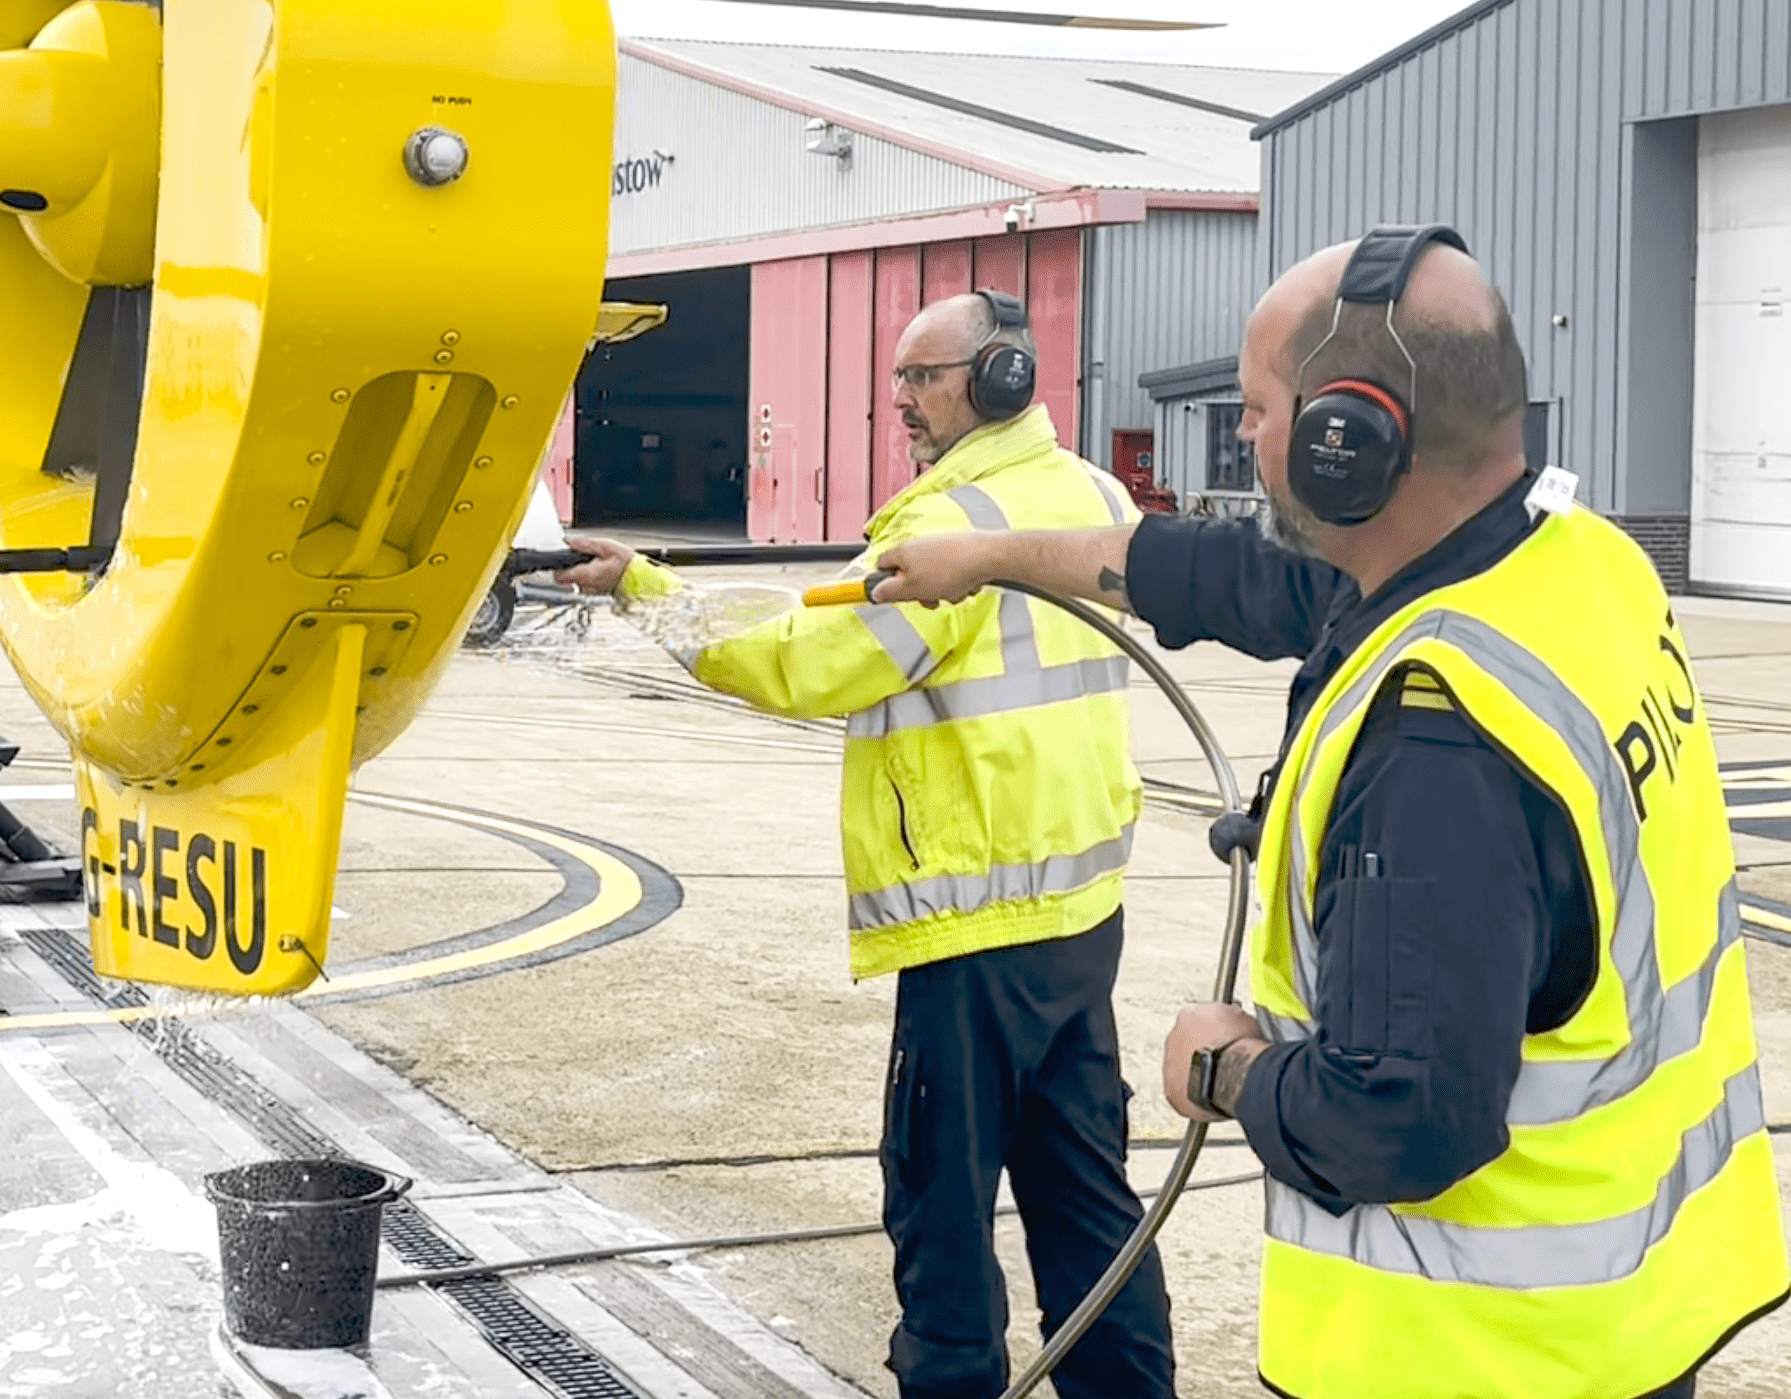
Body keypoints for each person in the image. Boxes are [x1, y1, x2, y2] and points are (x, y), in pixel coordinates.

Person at [872, 226, 1789, 1399]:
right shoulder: (1575, 564)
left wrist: (1227, 1070)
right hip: (1626, 1319)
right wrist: (989, 553)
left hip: (1468, 1356)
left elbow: (1397, 1123)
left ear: (1345, 442)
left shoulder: (1436, 742)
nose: (1244, 437)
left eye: (1257, 410)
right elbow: (1224, 577)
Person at [565, 289, 1175, 1399]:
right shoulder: (1085, 492)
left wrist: (644, 591)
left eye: (921, 376)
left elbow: (806, 658)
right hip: (1080, 911)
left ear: (996, 378)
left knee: (937, 1194)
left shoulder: (947, 526)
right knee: (1085, 1195)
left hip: (972, 922)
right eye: (894, 377)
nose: (898, 399)